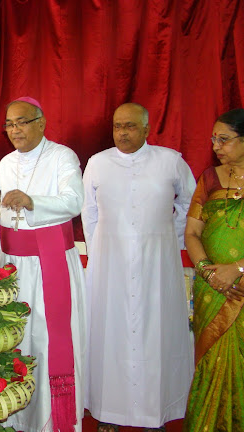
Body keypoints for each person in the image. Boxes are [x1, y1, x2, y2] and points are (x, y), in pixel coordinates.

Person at [82, 103, 195, 432]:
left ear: (146, 129)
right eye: (117, 126)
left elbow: (189, 202)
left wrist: (170, 238)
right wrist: (100, 249)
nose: (122, 133)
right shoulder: (98, 163)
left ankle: (155, 411)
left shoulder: (170, 161)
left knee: (156, 333)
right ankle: (108, 410)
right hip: (110, 262)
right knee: (110, 333)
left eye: (130, 126)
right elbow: (88, 211)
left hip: (157, 261)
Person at [0, 97, 87, 432]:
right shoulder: (5, 163)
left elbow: (74, 201)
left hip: (50, 262)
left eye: (21, 122)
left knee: (48, 340)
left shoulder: (62, 156)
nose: (14, 130)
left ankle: (52, 419)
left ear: (41, 123)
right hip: (13, 263)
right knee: (16, 337)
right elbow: (1, 215)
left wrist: (32, 201)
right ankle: (16, 418)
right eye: (9, 124)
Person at [183, 108, 244, 432]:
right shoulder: (208, 178)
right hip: (211, 288)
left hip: (240, 286)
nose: (216, 146)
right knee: (211, 362)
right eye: (213, 139)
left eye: (224, 139)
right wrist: (208, 272)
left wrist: (237, 268)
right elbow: (192, 233)